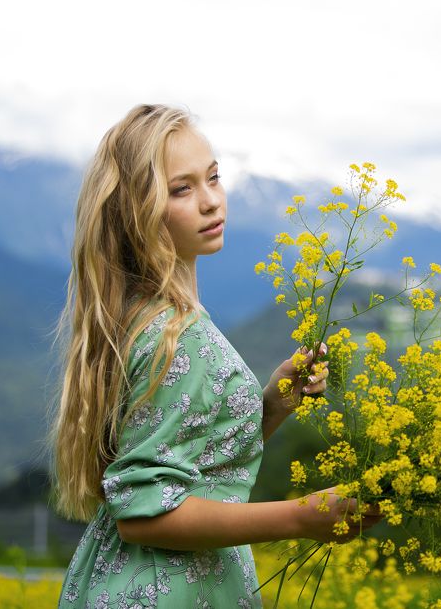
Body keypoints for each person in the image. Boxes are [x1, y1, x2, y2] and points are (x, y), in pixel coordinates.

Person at [51, 104, 380, 607]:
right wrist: (300, 517)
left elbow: (193, 459)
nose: (210, 202)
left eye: (213, 178)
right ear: (135, 210)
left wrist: (270, 406)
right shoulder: (174, 333)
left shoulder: (146, 314)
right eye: (181, 189)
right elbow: (143, 513)